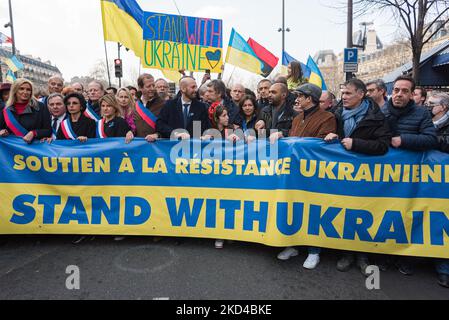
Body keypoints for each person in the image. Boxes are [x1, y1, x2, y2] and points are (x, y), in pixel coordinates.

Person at [324, 78, 392, 276]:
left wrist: (357, 144)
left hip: (366, 175)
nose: (344, 97)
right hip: (339, 174)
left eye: (348, 93)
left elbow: (383, 145)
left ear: (361, 94)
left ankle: (362, 256)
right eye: (343, 93)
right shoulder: (335, 115)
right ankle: (345, 253)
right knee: (343, 211)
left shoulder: (377, 117)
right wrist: (328, 137)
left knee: (362, 212)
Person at [273, 84, 336, 270]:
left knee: (313, 211)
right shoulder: (297, 117)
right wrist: (282, 135)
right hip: (294, 173)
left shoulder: (328, 117)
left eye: (300, 96)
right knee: (294, 208)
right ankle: (292, 245)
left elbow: (321, 147)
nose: (297, 99)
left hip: (314, 174)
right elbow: (293, 140)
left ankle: (314, 251)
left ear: (310, 98)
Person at [427, 92, 449, 288]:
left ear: (443, 107)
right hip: (428, 179)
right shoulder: (426, 121)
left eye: (432, 103)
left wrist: (432, 142)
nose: (428, 105)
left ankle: (444, 268)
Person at [0, 78, 51, 143]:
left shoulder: (40, 106)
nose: (25, 92)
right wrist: (2, 131)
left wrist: (34, 133)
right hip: (12, 149)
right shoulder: (5, 108)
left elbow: (48, 130)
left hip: (33, 149)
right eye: (21, 89)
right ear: (15, 90)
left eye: (28, 89)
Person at [133, 74, 165, 142]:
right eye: (148, 86)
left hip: (158, 147)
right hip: (139, 147)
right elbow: (131, 125)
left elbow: (168, 127)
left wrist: (157, 135)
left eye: (153, 85)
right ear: (140, 87)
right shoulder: (134, 105)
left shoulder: (163, 104)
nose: (152, 88)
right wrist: (129, 131)